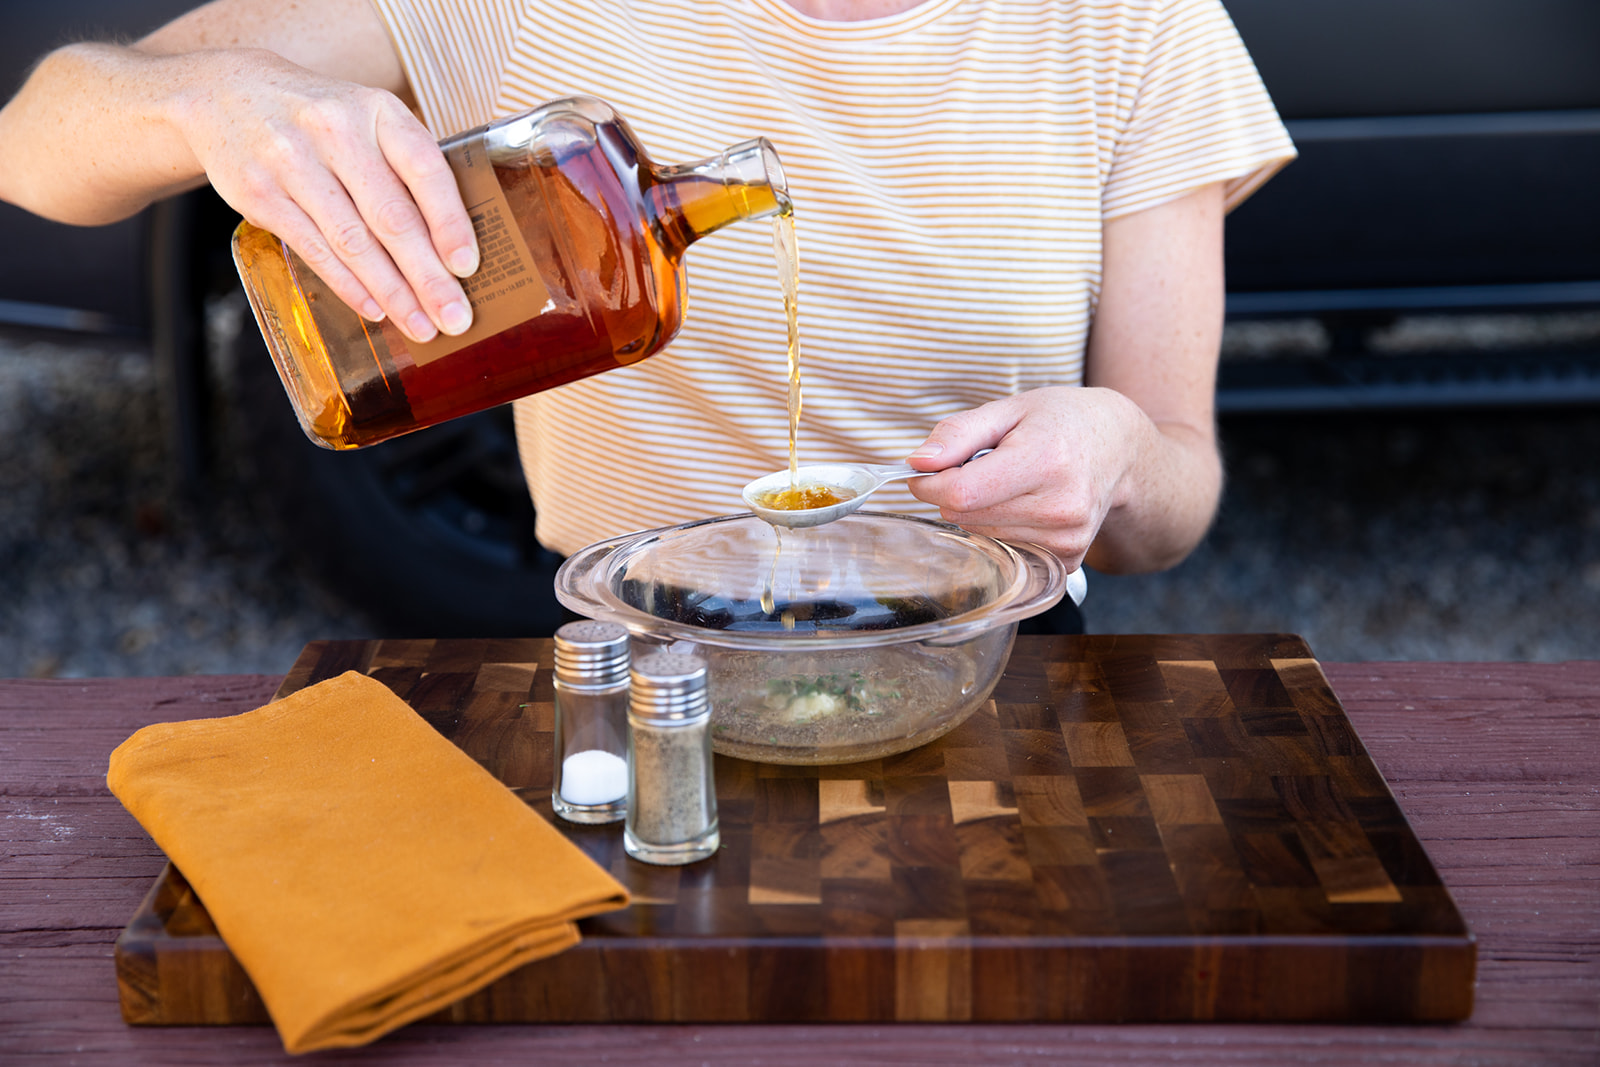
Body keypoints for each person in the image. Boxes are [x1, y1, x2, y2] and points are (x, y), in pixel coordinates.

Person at [0, 0, 1294, 631]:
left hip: (994, 685)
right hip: (641, 676)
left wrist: (1118, 452)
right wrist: (208, 99)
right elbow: (35, 137)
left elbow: (1172, 498)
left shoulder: (1133, 24)